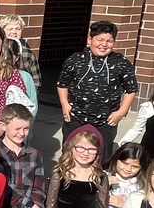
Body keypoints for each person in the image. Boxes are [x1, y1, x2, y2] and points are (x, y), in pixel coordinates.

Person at [57, 20, 138, 162]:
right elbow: (62, 84)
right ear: (90, 39)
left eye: (109, 41)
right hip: (76, 116)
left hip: (106, 120)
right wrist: (65, 104)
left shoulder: (121, 62)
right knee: (70, 154)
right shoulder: (75, 60)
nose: (104, 44)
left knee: (102, 157)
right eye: (100, 40)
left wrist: (122, 111)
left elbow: (131, 89)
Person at [0, 14, 41, 90]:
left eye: (18, 29)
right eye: (10, 29)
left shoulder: (28, 53)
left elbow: (36, 80)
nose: (14, 32)